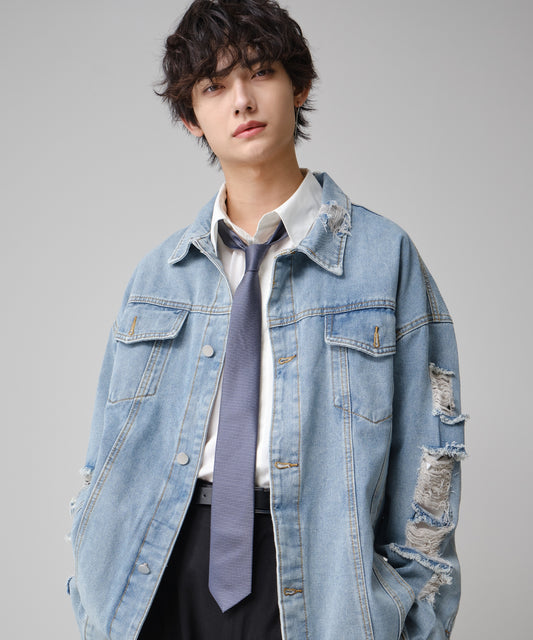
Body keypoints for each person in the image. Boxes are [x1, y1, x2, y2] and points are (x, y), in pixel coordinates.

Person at [67, 1, 467, 638]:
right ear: (190, 117)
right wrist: (90, 577)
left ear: (298, 86)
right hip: (162, 574)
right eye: (214, 86)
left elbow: (430, 465)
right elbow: (103, 456)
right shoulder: (159, 276)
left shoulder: (383, 259)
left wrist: (413, 617)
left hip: (323, 581)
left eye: (260, 72)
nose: (242, 101)